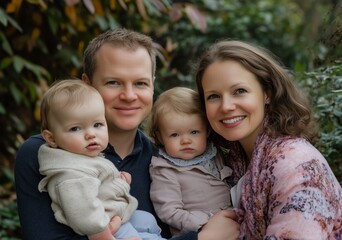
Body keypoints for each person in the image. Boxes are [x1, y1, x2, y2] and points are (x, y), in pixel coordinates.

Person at [15, 28, 239, 240]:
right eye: (113, 82)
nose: (129, 95)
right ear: (88, 85)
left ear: (152, 86)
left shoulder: (165, 157)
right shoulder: (46, 155)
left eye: (140, 83)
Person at [195, 39, 342, 239]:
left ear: (268, 93)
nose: (226, 106)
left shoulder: (295, 165)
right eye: (213, 96)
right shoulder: (232, 163)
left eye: (239, 91)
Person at [38, 79, 165, 240]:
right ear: (51, 138)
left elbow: (99, 187)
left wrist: (119, 182)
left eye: (97, 125)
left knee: (147, 220)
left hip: (115, 216)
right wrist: (102, 236)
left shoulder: (81, 156)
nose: (91, 134)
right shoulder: (71, 174)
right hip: (104, 230)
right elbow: (83, 211)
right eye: (75, 128)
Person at [146, 87, 233, 236]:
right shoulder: (165, 170)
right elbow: (169, 211)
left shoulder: (215, 153)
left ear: (207, 130)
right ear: (159, 137)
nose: (186, 140)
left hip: (233, 223)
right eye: (174, 134)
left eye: (194, 132)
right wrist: (206, 222)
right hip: (201, 231)